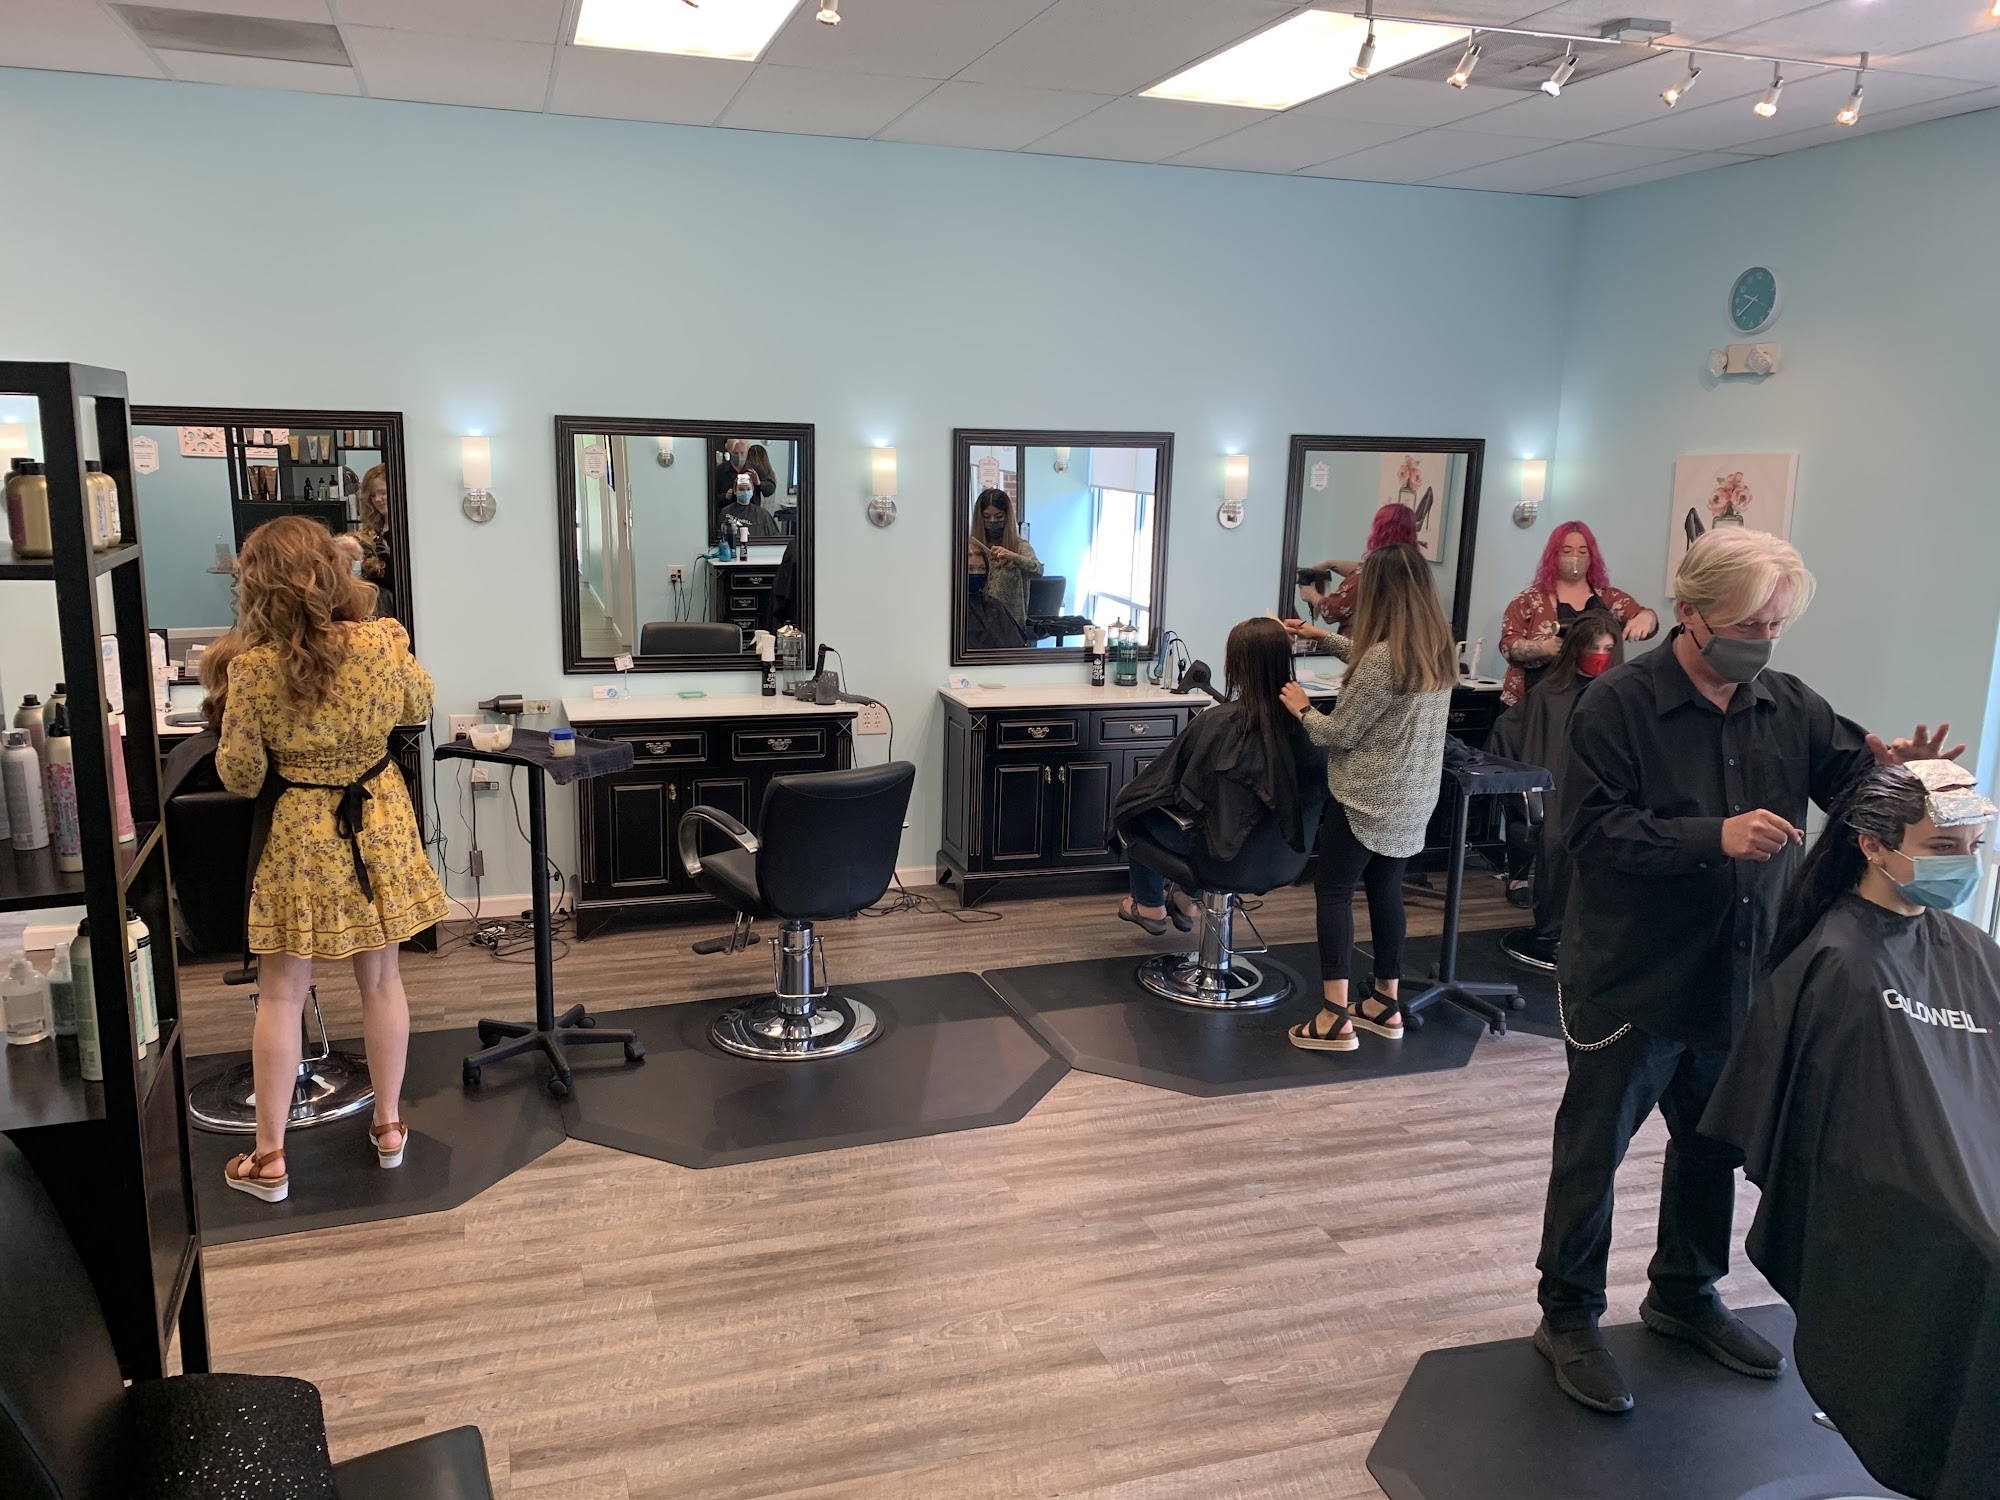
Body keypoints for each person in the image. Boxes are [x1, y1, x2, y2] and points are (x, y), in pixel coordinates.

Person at [1532, 526, 1963, 1416]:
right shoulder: (1616, 706)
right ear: (1691, 613)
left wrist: (1903, 781)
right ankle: (1568, 1315)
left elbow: (1854, 792)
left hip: (1738, 971)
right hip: (1628, 973)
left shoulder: (1789, 704)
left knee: (1712, 1146)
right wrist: (1712, 836)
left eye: (1776, 626)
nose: (1763, 642)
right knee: (1593, 1151)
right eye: (1748, 625)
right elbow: (1588, 833)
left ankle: (1685, 1293)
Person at [1703, 761, 2000, 1500]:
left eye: (1973, 847)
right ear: (1872, 844)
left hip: (1966, 1166)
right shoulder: (1836, 961)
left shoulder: (1974, 954)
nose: (1963, 866)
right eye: (1943, 848)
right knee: (1987, 1259)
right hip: (1895, 1185)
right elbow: (1837, 1129)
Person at [209, 517, 449, 1205]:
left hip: (298, 832)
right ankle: (389, 1128)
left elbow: (241, 776)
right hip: (377, 818)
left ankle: (270, 1158)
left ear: (259, 587)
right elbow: (419, 706)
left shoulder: (252, 670)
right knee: (382, 981)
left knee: (281, 993)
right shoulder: (383, 640)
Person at [1279, 543, 1455, 1052]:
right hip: (1413, 798)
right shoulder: (1436, 649)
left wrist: (1302, 707)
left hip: (1366, 799)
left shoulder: (1382, 660)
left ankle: (1334, 1016)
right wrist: (1322, 637)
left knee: (1334, 892)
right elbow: (1376, 664)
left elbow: (1337, 733)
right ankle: (1384, 1002)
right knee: (1386, 891)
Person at [1110, 618, 1322, 933]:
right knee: (1215, 812)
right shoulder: (1312, 723)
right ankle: (1188, 900)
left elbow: (1176, 787)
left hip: (1219, 856)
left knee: (1133, 805)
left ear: (1236, 665)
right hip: (1283, 856)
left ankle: (1149, 905)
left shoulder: (1217, 722)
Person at [1486, 610, 1623, 968]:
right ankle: (1553, 932)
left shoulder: (1621, 696)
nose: (1600, 656)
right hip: (1554, 794)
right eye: (1593, 648)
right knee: (1561, 836)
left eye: (1608, 649)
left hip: (1609, 795)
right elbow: (1510, 741)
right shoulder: (1548, 696)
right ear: (1575, 648)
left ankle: (1599, 935)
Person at [1499, 521, 1658, 705]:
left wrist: (1646, 618)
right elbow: (1508, 646)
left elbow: (1642, 617)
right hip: (1535, 700)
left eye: (1583, 552)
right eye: (1567, 551)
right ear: (1553, 556)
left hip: (1592, 699)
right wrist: (1544, 647)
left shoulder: (1609, 598)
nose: (1575, 557)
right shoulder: (1528, 600)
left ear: (1592, 557)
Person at [1297, 502, 1419, 633]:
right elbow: (1367, 568)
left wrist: (1311, 595)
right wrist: (1330, 564)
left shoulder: (1367, 576)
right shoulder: (1411, 569)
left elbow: (1331, 611)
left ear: (1379, 531)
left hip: (1361, 643)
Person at [969, 487, 1043, 628]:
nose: (992, 521)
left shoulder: (1020, 546)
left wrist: (1014, 557)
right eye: (986, 517)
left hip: (1010, 627)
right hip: (977, 625)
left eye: (999, 517)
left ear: (1007, 516)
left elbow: (1038, 570)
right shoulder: (971, 547)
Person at [354, 463, 397, 604]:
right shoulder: (372, 531)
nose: (377, 499)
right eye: (372, 495)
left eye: (383, 493)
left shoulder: (407, 532)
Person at [711, 438, 774, 509]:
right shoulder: (720, 471)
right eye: (735, 453)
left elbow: (770, 490)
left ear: (747, 451)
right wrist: (724, 496)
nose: (739, 456)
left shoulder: (755, 469)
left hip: (752, 512)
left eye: (742, 453)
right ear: (729, 452)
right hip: (727, 512)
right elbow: (709, 496)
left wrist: (759, 483)